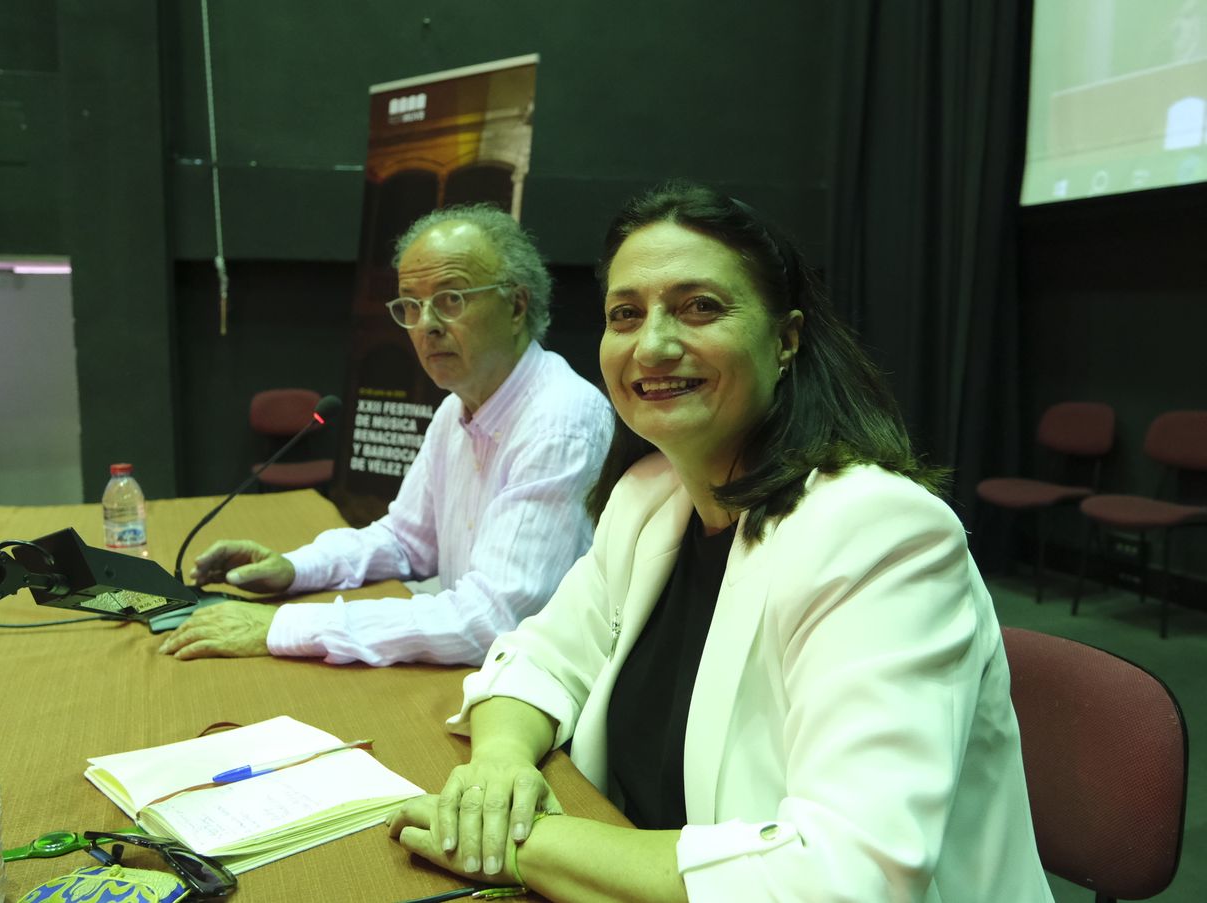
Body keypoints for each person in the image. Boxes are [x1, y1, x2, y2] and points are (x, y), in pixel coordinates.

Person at [387, 182, 1053, 901]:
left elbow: (847, 878)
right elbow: (540, 654)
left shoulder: (883, 534)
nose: (654, 343)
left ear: (787, 337)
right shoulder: (651, 496)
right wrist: (498, 765)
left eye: (699, 306)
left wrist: (529, 844)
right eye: (626, 313)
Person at [158, 205, 613, 666]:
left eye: (451, 298)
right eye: (411, 305)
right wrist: (295, 569)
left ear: (516, 305)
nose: (426, 325)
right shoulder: (458, 407)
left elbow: (492, 619)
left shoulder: (559, 423)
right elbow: (404, 540)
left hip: (544, 695)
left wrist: (285, 627)